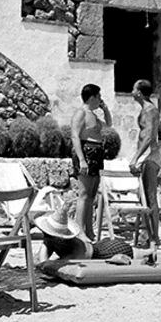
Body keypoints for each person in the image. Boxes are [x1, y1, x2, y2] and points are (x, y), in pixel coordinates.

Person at [70, 83, 111, 241]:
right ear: (92, 97)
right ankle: (79, 231)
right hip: (86, 153)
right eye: (99, 96)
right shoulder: (81, 113)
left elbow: (108, 124)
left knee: (92, 194)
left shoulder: (93, 114)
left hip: (96, 154)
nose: (100, 99)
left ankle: (89, 231)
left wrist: (105, 108)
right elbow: (75, 136)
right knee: (84, 194)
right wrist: (82, 160)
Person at [128, 79, 161, 261]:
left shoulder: (149, 110)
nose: (132, 91)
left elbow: (148, 136)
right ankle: (148, 235)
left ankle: (154, 237)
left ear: (139, 92)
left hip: (149, 156)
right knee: (145, 197)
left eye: (134, 88)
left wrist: (136, 157)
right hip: (147, 155)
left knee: (150, 196)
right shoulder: (147, 109)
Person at [35, 205, 133, 262]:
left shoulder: (73, 246)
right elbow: (39, 261)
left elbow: (45, 264)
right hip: (102, 246)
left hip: (110, 251)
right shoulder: (54, 240)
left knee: (141, 254)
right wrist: (46, 243)